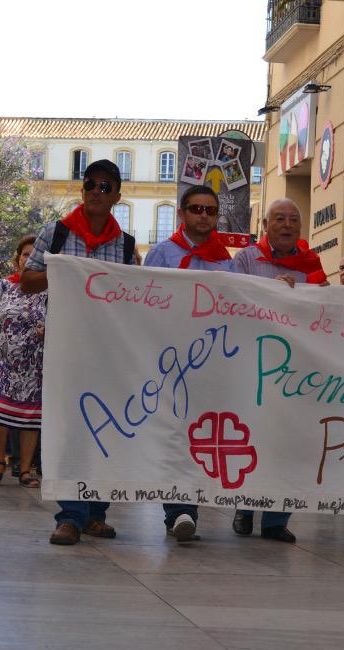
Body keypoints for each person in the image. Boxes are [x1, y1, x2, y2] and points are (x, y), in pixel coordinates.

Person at [22, 158, 136, 546]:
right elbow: (27, 282)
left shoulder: (127, 246)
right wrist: (66, 270)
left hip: (108, 352)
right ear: (82, 189)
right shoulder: (55, 234)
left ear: (118, 196)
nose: (97, 192)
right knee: (70, 432)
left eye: (106, 187)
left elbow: (131, 301)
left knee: (106, 428)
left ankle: (96, 514)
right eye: (91, 184)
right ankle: (69, 516)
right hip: (67, 347)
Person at [229, 198, 328, 543]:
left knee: (287, 442)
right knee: (252, 438)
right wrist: (271, 293)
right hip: (251, 364)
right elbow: (233, 300)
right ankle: (244, 505)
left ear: (300, 229)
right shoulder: (244, 259)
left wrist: (302, 295)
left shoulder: (312, 264)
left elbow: (321, 312)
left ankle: (276, 519)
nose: (286, 225)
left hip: (292, 369)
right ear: (266, 225)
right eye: (279, 219)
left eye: (293, 220)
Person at [143, 184, 233, 542]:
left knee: (197, 434)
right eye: (196, 209)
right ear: (182, 214)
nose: (203, 216)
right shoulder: (162, 254)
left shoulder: (226, 262)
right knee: (173, 436)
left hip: (209, 361)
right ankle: (180, 509)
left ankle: (184, 506)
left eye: (210, 211)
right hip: (168, 359)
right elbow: (145, 300)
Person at [0, 235, 47, 488]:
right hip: (4, 362)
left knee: (30, 417)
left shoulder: (51, 289)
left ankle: (26, 469)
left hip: (35, 364)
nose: (30, 259)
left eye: (36, 255)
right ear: (17, 259)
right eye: (26, 254)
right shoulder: (3, 286)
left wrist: (49, 332)